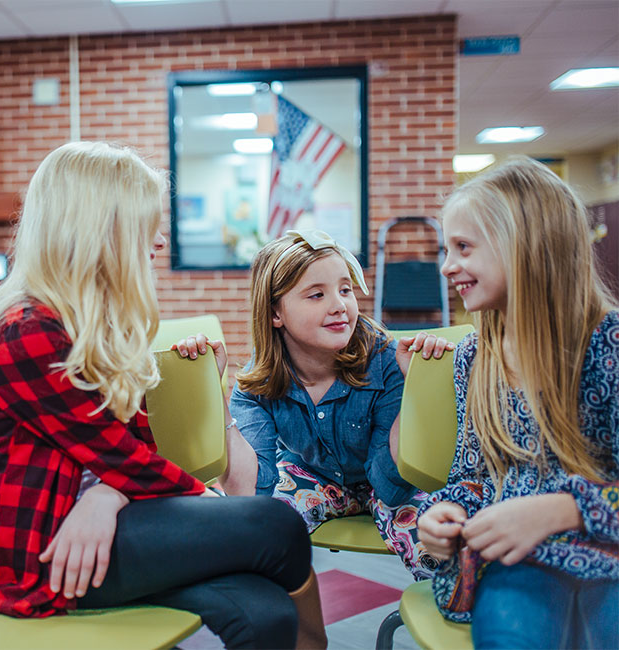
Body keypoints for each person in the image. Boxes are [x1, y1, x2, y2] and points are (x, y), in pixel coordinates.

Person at [0, 141, 322, 649]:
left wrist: (108, 495)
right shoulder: (29, 330)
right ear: (99, 229)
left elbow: (128, 457)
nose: (161, 240)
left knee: (265, 612)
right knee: (278, 526)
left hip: (111, 521)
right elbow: (128, 462)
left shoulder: (98, 326)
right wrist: (206, 504)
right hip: (53, 551)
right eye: (146, 225)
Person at [416, 157, 618, 649]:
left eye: (464, 247)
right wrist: (445, 511)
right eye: (447, 249)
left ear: (526, 246)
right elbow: (474, 475)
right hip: (518, 563)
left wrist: (563, 510)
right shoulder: (475, 357)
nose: (447, 266)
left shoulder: (608, 345)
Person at [177, 229, 452, 582]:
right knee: (253, 533)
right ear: (275, 313)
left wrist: (415, 391)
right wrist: (212, 391)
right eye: (317, 294)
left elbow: (391, 486)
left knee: (441, 550)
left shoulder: (386, 363)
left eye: (345, 290)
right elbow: (249, 493)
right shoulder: (258, 383)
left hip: (389, 479)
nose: (339, 305)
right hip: (313, 476)